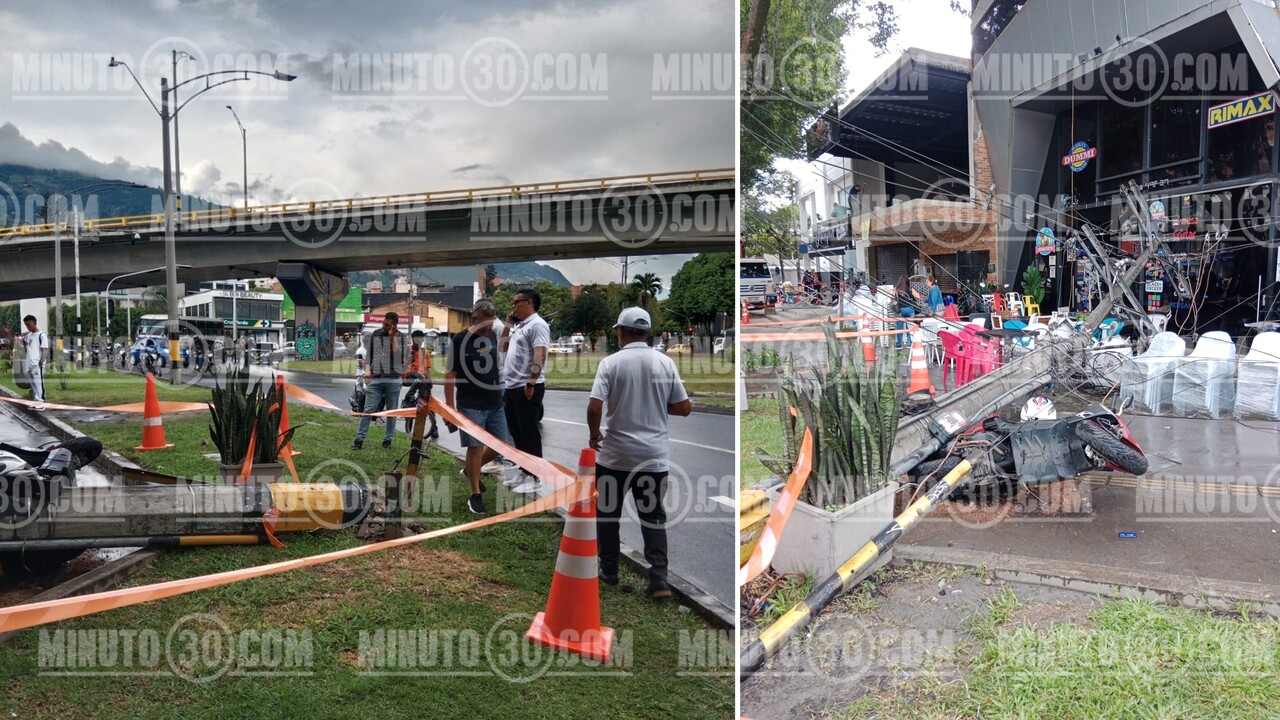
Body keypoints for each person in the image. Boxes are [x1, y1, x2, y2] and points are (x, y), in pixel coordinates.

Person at [589, 307, 692, 600]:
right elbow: (684, 408)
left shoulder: (610, 363)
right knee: (653, 518)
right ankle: (659, 580)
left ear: (620, 331)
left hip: (614, 458)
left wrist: (594, 434)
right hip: (653, 458)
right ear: (647, 332)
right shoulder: (664, 363)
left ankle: (609, 571)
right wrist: (660, 406)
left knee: (608, 516)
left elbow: (595, 405)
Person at [444, 300, 512, 515]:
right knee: (474, 447)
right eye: (486, 324)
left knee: (501, 445)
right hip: (470, 403)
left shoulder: (492, 335)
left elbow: (504, 348)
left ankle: (469, 470)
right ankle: (475, 494)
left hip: (494, 401)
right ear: (474, 319)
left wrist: (508, 327)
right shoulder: (459, 340)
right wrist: (450, 408)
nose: (489, 328)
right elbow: (449, 375)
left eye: (492, 323)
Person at [500, 289, 550, 495]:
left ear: (529, 303)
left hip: (527, 386)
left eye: (516, 303)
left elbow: (541, 354)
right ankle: (524, 469)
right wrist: (507, 324)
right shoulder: (520, 326)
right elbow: (503, 347)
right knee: (517, 432)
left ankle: (534, 476)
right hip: (512, 386)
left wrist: (531, 382)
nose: (513, 307)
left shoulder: (538, 325)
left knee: (529, 432)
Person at [353, 312, 407, 450]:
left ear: (394, 325)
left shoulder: (401, 337)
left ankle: (387, 441)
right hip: (376, 379)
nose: (384, 326)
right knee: (368, 410)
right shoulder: (376, 334)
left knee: (391, 412)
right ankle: (359, 440)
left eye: (387, 325)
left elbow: (399, 356)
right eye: (383, 323)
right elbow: (368, 357)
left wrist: (393, 337)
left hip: (393, 379)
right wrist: (367, 371)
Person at [401, 329, 438, 440]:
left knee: (428, 400)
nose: (419, 342)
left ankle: (434, 428)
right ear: (412, 339)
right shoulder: (407, 350)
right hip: (408, 377)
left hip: (420, 379)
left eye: (420, 340)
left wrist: (430, 383)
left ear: (423, 340)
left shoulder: (425, 352)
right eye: (416, 339)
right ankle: (408, 398)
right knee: (417, 376)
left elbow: (426, 370)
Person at [20, 315, 48, 407]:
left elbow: (45, 350)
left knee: (38, 383)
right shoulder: (29, 336)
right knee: (33, 384)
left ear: (34, 323)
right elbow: (27, 349)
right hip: (29, 363)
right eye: (26, 325)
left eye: (29, 324)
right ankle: (36, 399)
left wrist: (41, 362)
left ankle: (41, 401)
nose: (28, 327)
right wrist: (24, 342)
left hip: (37, 364)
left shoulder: (41, 335)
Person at [895, 276, 919, 349]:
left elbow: (892, 298)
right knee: (910, 327)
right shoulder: (910, 289)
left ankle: (899, 344)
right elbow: (918, 296)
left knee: (900, 328)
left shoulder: (896, 289)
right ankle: (910, 343)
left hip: (900, 310)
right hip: (910, 310)